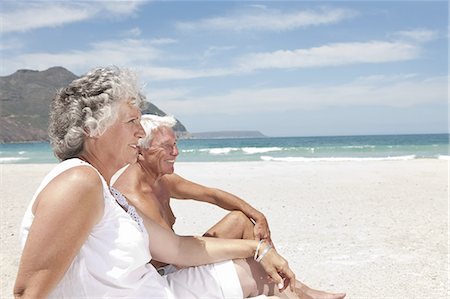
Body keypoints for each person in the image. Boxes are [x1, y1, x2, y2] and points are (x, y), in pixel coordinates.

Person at [13, 66, 345, 299]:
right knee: (259, 275)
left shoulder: (105, 190)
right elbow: (28, 293)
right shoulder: (78, 182)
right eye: (131, 122)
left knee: (262, 272)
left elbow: (178, 249)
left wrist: (258, 249)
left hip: (160, 290)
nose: (140, 133)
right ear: (94, 129)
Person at [112, 114, 346, 299]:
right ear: (140, 150)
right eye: (167, 146)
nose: (176, 152)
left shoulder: (160, 179)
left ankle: (301, 289)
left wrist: (258, 215)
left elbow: (212, 195)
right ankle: (294, 292)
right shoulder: (133, 197)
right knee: (253, 263)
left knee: (241, 220)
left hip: (178, 257)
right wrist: (252, 249)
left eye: (175, 144)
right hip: (164, 277)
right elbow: (177, 256)